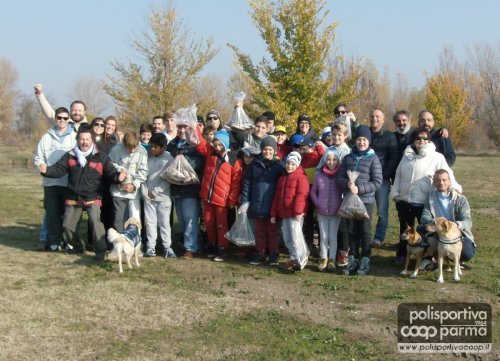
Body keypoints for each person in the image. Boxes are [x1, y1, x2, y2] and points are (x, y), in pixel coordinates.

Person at [39, 126, 127, 261]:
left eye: (87, 139)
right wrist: (46, 170)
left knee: (96, 224)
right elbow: (58, 170)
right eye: (81, 139)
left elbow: (110, 172)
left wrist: (117, 177)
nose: (84, 142)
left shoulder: (101, 156)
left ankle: (100, 251)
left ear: (92, 140)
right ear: (77, 140)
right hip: (73, 197)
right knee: (67, 227)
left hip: (94, 197)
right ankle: (78, 246)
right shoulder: (70, 155)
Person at [390, 128, 461, 263]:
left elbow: (447, 173)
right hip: (405, 200)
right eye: (418, 138)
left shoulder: (436, 157)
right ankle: (403, 253)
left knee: (425, 230)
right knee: (405, 229)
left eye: (424, 138)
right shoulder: (406, 156)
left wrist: (455, 188)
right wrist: (395, 192)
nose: (421, 141)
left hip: (425, 201)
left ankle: (427, 256)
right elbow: (398, 175)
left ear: (428, 141)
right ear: (413, 141)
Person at [337, 125, 383, 276]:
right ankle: (353, 259)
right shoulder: (348, 158)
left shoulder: (373, 158)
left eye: (364, 139)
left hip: (366, 201)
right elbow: (339, 178)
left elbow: (377, 182)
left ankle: (365, 259)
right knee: (351, 230)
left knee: (365, 231)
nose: (361, 142)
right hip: (350, 200)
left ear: (368, 141)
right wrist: (347, 184)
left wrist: (361, 189)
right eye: (359, 139)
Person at [34, 107, 77, 251]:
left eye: (65, 118)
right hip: (50, 183)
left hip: (68, 183)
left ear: (68, 119)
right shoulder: (46, 137)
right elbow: (38, 157)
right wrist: (40, 164)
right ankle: (54, 242)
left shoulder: (74, 137)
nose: (62, 121)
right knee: (52, 213)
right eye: (60, 118)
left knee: (68, 215)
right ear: (55, 118)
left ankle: (68, 242)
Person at [240, 136, 284, 266]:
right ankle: (260, 253)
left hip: (272, 205)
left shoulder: (279, 166)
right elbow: (247, 183)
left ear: (274, 150)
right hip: (257, 203)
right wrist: (245, 201)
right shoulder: (254, 165)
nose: (267, 152)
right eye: (265, 149)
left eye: (270, 149)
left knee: (273, 232)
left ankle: (273, 254)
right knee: (259, 231)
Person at [196, 129, 238, 262]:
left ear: (225, 144)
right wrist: (195, 126)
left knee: (221, 225)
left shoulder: (233, 159)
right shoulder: (210, 153)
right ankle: (212, 245)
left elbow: (236, 181)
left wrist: (232, 198)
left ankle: (222, 248)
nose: (218, 147)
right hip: (207, 195)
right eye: (215, 144)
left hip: (222, 199)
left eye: (220, 145)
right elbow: (200, 143)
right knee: (209, 222)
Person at [419, 169, 475, 267]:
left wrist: (456, 224)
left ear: (449, 181)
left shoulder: (460, 199)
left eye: (444, 180)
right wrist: (435, 223)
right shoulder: (430, 197)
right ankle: (430, 257)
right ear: (434, 182)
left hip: (455, 232)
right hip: (437, 230)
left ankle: (454, 257)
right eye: (438, 180)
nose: (441, 183)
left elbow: (467, 221)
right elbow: (424, 217)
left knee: (467, 254)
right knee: (420, 229)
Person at [166, 123, 205, 259]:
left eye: (185, 128)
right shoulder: (172, 144)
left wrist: (185, 160)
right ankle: (194, 244)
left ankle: (190, 248)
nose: (182, 130)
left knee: (190, 219)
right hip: (176, 187)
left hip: (191, 188)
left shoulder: (195, 143)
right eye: (180, 127)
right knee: (182, 220)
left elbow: (201, 162)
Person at [270, 151, 310, 271]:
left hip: (295, 215)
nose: (289, 166)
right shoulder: (282, 178)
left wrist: (298, 212)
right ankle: (293, 257)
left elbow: (301, 195)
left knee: (295, 236)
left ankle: (300, 258)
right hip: (284, 213)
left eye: (293, 164)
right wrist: (273, 213)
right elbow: (277, 197)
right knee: (287, 236)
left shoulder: (301, 178)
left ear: (297, 165)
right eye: (288, 163)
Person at [142, 133, 175, 258]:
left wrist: (156, 191)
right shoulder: (147, 157)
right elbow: (143, 176)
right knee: (150, 222)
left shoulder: (169, 159)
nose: (152, 149)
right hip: (148, 197)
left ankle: (167, 246)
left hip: (163, 198)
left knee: (164, 223)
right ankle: (151, 246)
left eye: (155, 147)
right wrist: (146, 192)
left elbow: (169, 178)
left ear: (163, 147)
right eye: (151, 146)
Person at [368, 108, 398, 248]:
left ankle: (379, 237)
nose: (375, 119)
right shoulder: (365, 133)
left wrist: (385, 174)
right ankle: (365, 235)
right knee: (364, 209)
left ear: (383, 119)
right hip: (365, 180)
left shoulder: (389, 136)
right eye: (373, 116)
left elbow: (393, 157)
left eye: (378, 116)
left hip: (382, 180)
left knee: (382, 211)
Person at [108, 132, 149, 232]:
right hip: (118, 190)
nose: (131, 151)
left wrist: (134, 185)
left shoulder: (142, 151)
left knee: (134, 218)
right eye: (129, 148)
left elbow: (144, 171)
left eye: (134, 148)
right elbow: (109, 165)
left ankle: (135, 241)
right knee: (119, 218)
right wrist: (118, 172)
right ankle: (119, 242)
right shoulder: (115, 149)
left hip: (133, 190)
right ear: (123, 144)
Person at [310, 150, 342, 272]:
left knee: (333, 236)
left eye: (334, 160)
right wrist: (317, 203)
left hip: (336, 211)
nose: (331, 162)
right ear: (324, 160)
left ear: (338, 161)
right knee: (323, 236)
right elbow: (313, 192)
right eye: (328, 159)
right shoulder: (319, 175)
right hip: (322, 211)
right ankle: (323, 258)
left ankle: (332, 259)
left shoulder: (340, 174)